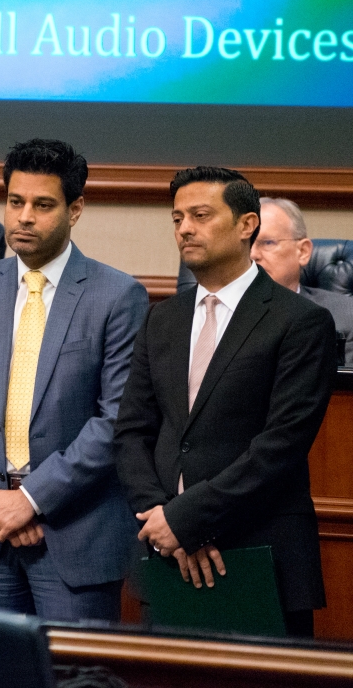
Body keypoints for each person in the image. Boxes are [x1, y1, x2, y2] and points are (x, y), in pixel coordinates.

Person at [0, 139, 149, 621]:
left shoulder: (117, 296)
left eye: (42, 205)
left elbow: (115, 420)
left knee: (75, 677)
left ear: (76, 210)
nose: (24, 217)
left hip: (72, 533)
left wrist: (30, 499)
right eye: (15, 202)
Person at [114, 167, 338, 637]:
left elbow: (279, 448)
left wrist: (185, 518)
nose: (185, 229)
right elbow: (132, 432)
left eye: (200, 215)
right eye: (177, 218)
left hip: (259, 555)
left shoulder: (301, 322)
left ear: (246, 225)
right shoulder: (163, 319)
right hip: (165, 558)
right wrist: (164, 523)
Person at [251, 197, 353, 367]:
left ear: (303, 251)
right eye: (244, 244)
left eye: (267, 242)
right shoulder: (212, 312)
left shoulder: (346, 316)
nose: (252, 254)